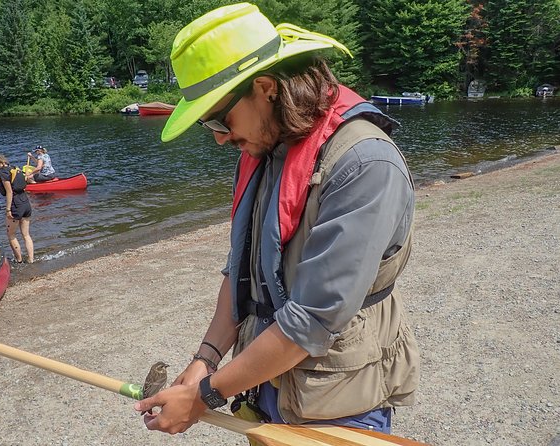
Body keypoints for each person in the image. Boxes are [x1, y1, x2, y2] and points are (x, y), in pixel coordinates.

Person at [134, 3, 420, 437]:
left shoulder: (365, 164)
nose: (218, 138)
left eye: (218, 118)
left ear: (266, 88)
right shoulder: (264, 147)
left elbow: (311, 319)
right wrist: (205, 361)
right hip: (264, 382)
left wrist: (202, 397)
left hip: (338, 401)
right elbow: (241, 269)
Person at [0, 153, 34, 264]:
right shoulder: (14, 168)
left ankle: (19, 260)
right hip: (26, 202)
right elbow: (25, 180)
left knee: (11, 235)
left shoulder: (2, 172)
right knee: (26, 235)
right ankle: (31, 260)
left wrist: (8, 209)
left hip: (16, 204)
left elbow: (9, 191)